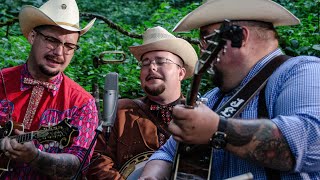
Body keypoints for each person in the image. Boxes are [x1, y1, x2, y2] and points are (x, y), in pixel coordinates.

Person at [140, 0, 320, 179]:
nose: (202, 51)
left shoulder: (300, 71)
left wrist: (218, 129)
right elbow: (168, 152)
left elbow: (312, 142)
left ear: (239, 37)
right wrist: (153, 173)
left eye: (205, 40)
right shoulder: (212, 98)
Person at [0, 0, 98, 179]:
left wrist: (35, 157)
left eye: (69, 46)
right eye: (52, 40)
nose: (59, 53)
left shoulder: (82, 103)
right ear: (32, 37)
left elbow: (79, 165)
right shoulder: (1, 80)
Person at [86, 26, 197, 179]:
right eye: (145, 63)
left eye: (161, 61)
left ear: (181, 72)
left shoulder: (199, 115)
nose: (151, 67)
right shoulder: (121, 111)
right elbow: (97, 158)